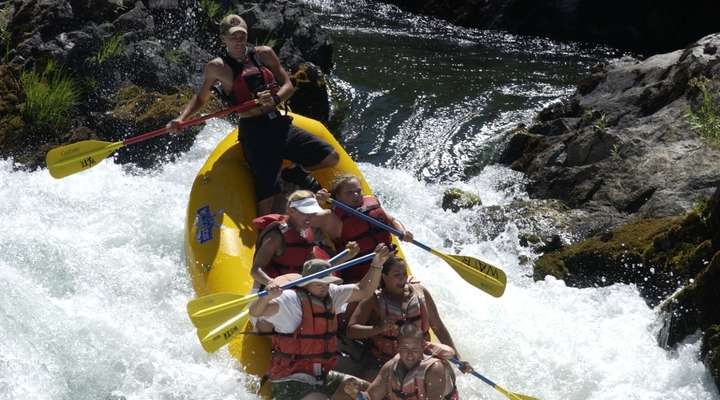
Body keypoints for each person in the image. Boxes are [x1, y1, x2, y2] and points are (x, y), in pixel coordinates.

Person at [168, 14, 339, 215]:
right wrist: (182, 118)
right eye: (233, 37)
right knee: (269, 197)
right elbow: (201, 98)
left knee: (331, 156)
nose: (239, 41)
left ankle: (295, 173)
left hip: (279, 124)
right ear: (223, 39)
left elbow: (288, 85)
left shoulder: (264, 54)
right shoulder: (217, 67)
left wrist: (275, 99)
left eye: (242, 36)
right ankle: (264, 231)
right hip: (253, 132)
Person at [248, 244, 393, 400]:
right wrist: (267, 297)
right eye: (318, 284)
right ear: (306, 284)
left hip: (320, 376)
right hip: (290, 380)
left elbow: (364, 290)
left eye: (326, 283)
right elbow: (256, 311)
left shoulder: (331, 293)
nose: (324, 288)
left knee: (367, 389)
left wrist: (377, 265)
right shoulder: (290, 299)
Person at [346, 256, 469, 380]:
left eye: (404, 274)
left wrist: (458, 359)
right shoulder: (373, 299)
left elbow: (439, 327)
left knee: (444, 374)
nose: (402, 278)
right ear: (384, 276)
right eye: (396, 275)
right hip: (384, 360)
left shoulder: (421, 292)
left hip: (420, 357)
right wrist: (379, 328)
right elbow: (351, 331)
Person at [316, 174, 414, 284]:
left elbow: (392, 220)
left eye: (358, 191)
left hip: (388, 264)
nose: (356, 195)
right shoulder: (332, 217)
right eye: (350, 192)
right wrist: (318, 201)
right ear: (337, 197)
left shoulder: (371, 203)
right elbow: (309, 217)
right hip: (361, 274)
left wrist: (402, 232)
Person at [251, 190, 354, 289]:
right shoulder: (275, 236)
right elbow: (255, 270)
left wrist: (344, 257)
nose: (309, 218)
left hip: (297, 286)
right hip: (273, 288)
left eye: (312, 213)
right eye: (305, 213)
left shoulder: (307, 232)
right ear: (291, 211)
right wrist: (271, 283)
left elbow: (313, 268)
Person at [358, 323, 459, 400]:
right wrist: (356, 395)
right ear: (397, 347)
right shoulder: (390, 367)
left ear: (423, 347)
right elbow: (371, 396)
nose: (410, 354)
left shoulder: (434, 369)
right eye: (405, 348)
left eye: (415, 349)